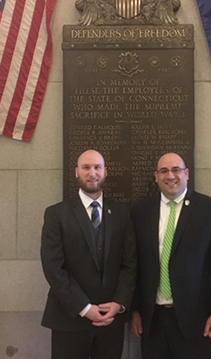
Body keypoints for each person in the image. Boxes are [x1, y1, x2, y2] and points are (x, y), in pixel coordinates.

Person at [130, 153, 211, 359]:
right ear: (156, 176)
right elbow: (134, 264)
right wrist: (134, 310)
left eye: (176, 170)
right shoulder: (140, 211)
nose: (171, 176)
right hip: (153, 320)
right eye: (164, 171)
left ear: (186, 173)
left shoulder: (209, 208)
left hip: (196, 320)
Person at [40, 150, 136, 359]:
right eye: (86, 167)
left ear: (105, 172)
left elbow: (130, 264)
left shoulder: (122, 214)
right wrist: (84, 307)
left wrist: (119, 303)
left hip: (111, 320)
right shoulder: (56, 214)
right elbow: (53, 267)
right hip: (69, 318)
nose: (92, 173)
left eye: (97, 167)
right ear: (76, 172)